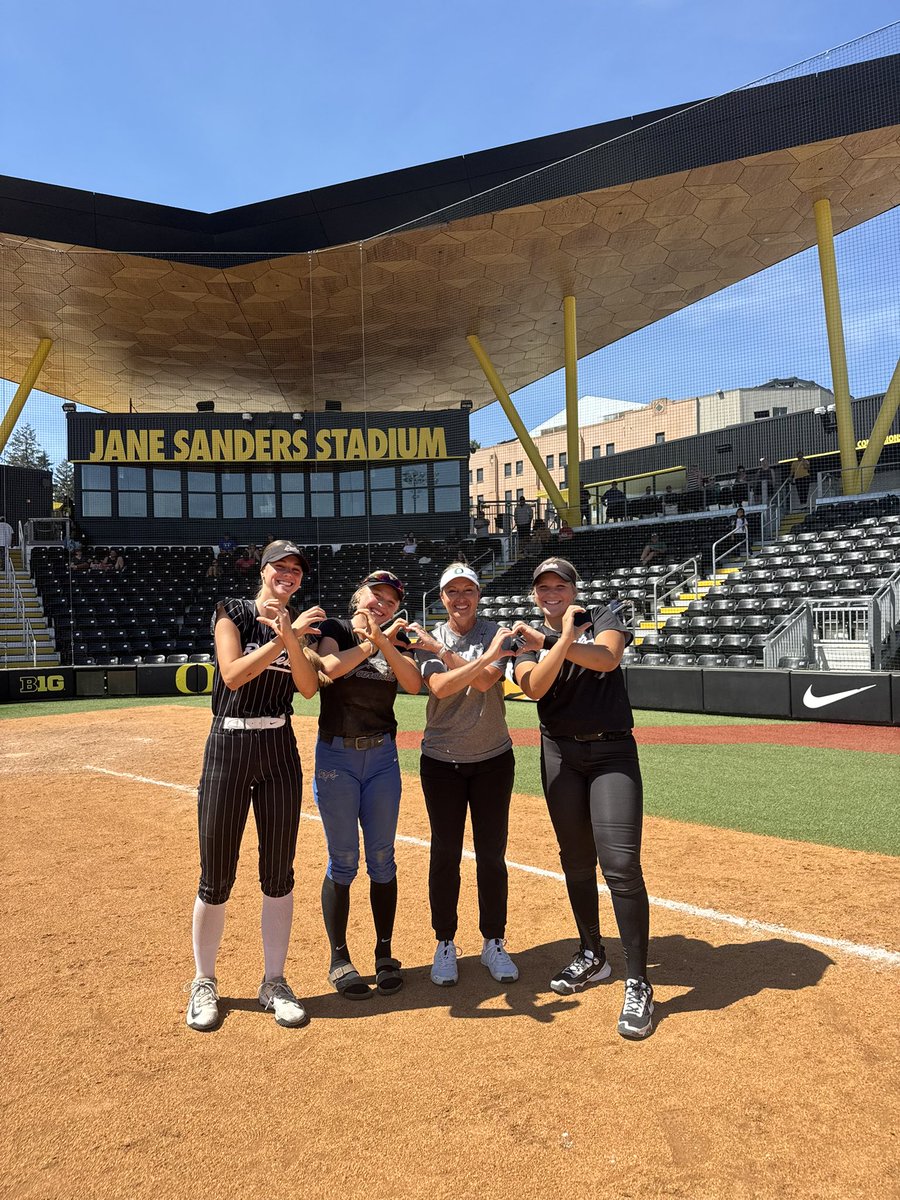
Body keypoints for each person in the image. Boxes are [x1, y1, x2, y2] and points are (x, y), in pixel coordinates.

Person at [510, 557, 653, 1040]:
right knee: (574, 859)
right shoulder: (522, 639)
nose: (552, 594)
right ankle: (593, 954)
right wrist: (553, 641)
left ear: (573, 588)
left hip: (612, 751)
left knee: (620, 866)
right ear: (535, 593)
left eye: (560, 586)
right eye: (544, 587)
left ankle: (639, 980)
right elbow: (533, 686)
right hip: (560, 755)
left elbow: (607, 658)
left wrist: (554, 639)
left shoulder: (603, 617)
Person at [185, 541, 325, 1033]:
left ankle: (274, 981)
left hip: (279, 750)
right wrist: (282, 639)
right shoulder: (234, 612)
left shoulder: (299, 627)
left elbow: (308, 688)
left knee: (278, 872)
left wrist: (293, 638)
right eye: (280, 567)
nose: (287, 575)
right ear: (263, 570)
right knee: (216, 873)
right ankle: (204, 981)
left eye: (295, 570)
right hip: (228, 745)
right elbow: (233, 674)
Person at [406, 563, 519, 987]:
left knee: (492, 856)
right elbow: (441, 688)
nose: (460, 598)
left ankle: (494, 941)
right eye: (452, 591)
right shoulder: (427, 639)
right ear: (442, 598)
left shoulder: (494, 633)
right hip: (442, 761)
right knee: (445, 855)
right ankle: (445, 942)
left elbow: (492, 678)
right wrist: (443, 654)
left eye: (467, 590)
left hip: (493, 759)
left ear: (477, 594)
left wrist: (444, 653)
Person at [311, 570, 421, 1000]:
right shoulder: (335, 630)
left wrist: (388, 642)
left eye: (390, 601)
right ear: (360, 596)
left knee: (382, 857)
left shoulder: (395, 639)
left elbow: (412, 684)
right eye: (376, 596)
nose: (382, 605)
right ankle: (340, 959)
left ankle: (384, 953)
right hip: (336, 756)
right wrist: (374, 640)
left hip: (382, 759)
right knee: (343, 860)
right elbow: (329, 671)